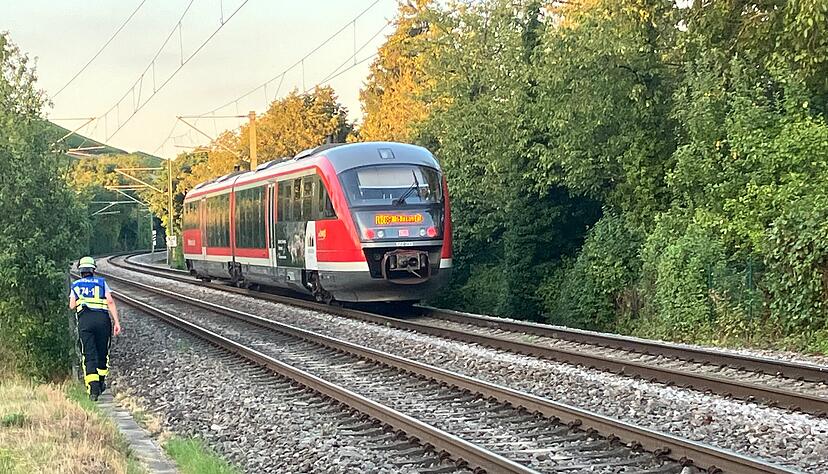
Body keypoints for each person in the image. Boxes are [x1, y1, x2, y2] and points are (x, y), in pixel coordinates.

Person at [69, 256, 122, 401]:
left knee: (89, 353)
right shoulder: (101, 283)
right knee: (102, 352)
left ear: (80, 271)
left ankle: (93, 390)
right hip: (102, 321)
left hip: (85, 322)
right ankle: (101, 382)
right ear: (93, 270)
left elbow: (72, 305)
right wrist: (116, 322)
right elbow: (110, 302)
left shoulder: (76, 285)